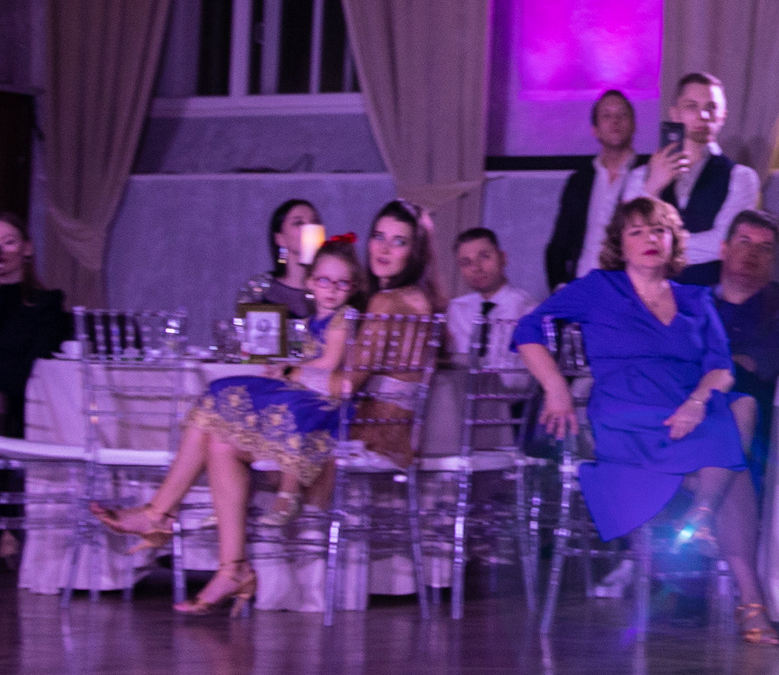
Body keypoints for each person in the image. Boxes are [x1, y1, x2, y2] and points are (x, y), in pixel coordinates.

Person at [93, 205, 439, 616]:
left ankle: (167, 520)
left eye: (399, 241)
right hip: (379, 424)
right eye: (379, 236)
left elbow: (345, 386)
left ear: (414, 251)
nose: (383, 248)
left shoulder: (384, 302)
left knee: (219, 406)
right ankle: (227, 565)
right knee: (221, 438)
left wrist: (291, 372)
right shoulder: (420, 297)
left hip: (363, 432)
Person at [513, 196, 779, 645]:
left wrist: (696, 402)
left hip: (685, 418)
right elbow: (528, 328)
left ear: (673, 239)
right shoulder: (600, 288)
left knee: (741, 407)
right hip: (626, 419)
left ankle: (701, 514)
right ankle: (744, 593)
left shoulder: (696, 299)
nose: (649, 239)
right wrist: (557, 389)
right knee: (734, 464)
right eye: (636, 231)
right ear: (620, 242)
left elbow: (721, 368)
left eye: (658, 230)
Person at [680, 209, 779, 475]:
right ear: (724, 249)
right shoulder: (689, 304)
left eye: (765, 247)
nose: (753, 254)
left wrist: (753, 360)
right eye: (744, 242)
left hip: (769, 409)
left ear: (773, 259)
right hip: (693, 403)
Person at [0, 210, 68, 438]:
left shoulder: (46, 302)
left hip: (23, 399)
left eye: (8, 242)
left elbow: (37, 360)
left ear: (26, 249)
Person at [646, 72, 761, 259]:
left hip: (709, 286)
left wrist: (659, 245)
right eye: (692, 106)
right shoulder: (643, 174)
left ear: (722, 116)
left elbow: (725, 242)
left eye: (712, 107)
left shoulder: (741, 177)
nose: (704, 115)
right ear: (675, 113)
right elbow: (628, 235)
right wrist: (652, 187)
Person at [543, 90, 645, 291]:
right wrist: (561, 287)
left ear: (634, 125)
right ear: (594, 129)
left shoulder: (647, 173)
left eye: (622, 114)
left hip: (631, 290)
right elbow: (559, 244)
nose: (615, 120)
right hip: (583, 286)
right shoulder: (580, 180)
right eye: (606, 115)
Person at [450, 227, 537, 367]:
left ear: (503, 258)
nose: (476, 268)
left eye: (484, 256)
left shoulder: (528, 310)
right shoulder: (455, 310)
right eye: (466, 262)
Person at [250, 198, 325, 317]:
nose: (310, 229)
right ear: (280, 238)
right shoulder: (262, 290)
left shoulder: (334, 288)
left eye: (315, 222)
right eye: (299, 223)